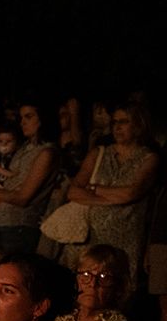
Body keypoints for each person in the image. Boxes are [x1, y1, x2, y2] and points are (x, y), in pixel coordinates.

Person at [59, 102, 159, 273]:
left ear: (139, 124)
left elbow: (131, 193)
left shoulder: (149, 159)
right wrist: (113, 199)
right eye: (114, 122)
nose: (117, 127)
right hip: (88, 240)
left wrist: (94, 189)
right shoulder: (98, 154)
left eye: (124, 122)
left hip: (124, 242)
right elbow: (73, 191)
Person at [0, 101, 58, 266]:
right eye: (21, 117)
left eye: (29, 117)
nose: (23, 122)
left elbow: (23, 197)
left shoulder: (46, 153)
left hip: (18, 227)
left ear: (42, 119)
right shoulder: (23, 148)